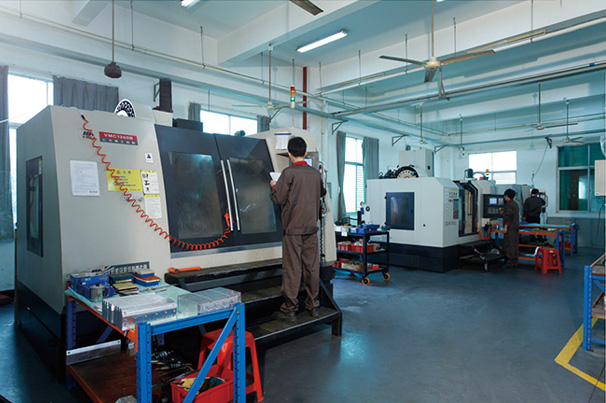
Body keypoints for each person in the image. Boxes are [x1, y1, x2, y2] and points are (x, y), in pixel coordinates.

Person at [270, 137, 326, 322]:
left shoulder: (288, 173)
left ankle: (290, 309)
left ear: (289, 153)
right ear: (305, 152)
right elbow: (322, 192)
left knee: (292, 268)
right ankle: (313, 305)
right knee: (312, 267)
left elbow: (278, 199)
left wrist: (274, 187)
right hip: (311, 227)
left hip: (293, 228)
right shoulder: (315, 174)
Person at [502, 188, 520, 268]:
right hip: (515, 228)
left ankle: (510, 261)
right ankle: (514, 261)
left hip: (510, 228)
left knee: (509, 244)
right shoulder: (515, 204)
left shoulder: (508, 204)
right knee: (514, 244)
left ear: (506, 196)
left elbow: (509, 216)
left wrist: (505, 227)